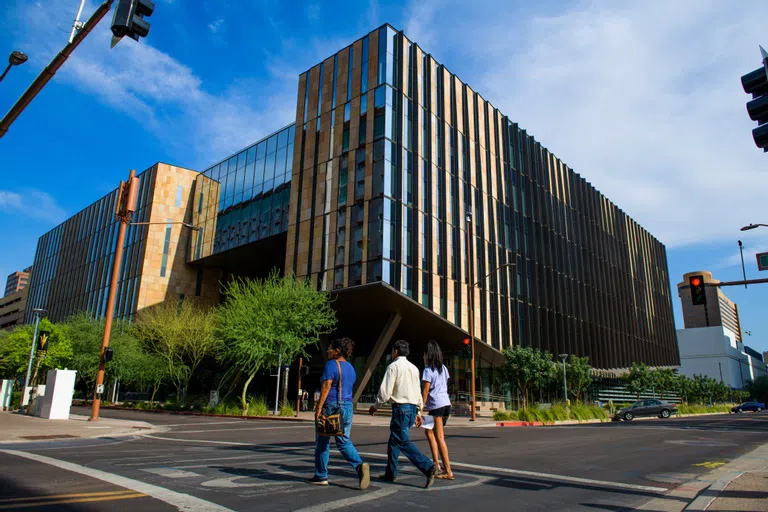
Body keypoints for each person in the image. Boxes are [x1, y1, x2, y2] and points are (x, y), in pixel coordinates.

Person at [369, 340, 437, 488]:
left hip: (400, 409)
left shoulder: (393, 367)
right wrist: (419, 411)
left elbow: (385, 392)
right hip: (412, 408)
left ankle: (428, 466)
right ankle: (390, 472)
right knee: (394, 441)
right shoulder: (414, 368)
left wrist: (375, 406)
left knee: (401, 441)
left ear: (395, 351)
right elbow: (417, 392)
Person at [311, 337, 370, 489]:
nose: (328, 350)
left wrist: (318, 408)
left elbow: (326, 386)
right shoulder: (351, 367)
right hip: (348, 407)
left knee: (322, 442)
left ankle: (321, 475)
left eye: (330, 347)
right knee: (343, 441)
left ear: (337, 350)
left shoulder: (331, 365)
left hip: (331, 406)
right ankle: (359, 465)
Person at [421, 340, 454, 480]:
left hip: (436, 407)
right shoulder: (444, 368)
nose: (423, 357)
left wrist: (420, 408)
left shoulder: (428, 370)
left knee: (440, 437)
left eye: (424, 354)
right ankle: (436, 463)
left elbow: (425, 391)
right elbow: (444, 385)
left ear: (428, 355)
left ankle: (448, 471)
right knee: (428, 431)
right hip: (445, 405)